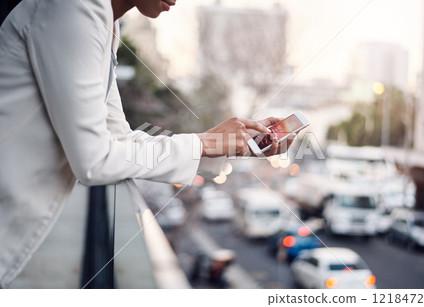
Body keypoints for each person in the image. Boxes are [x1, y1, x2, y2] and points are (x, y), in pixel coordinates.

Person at [0, 0, 294, 287]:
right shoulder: (74, 10)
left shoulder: (102, 21)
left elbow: (118, 138)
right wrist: (202, 143)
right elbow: (93, 161)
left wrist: (222, 144)